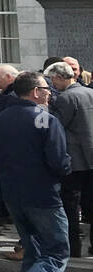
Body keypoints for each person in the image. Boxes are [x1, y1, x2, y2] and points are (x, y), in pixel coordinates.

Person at [0, 72, 70, 272]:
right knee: (57, 252)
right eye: (46, 89)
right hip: (42, 195)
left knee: (34, 252)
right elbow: (58, 162)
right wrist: (68, 166)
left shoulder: (2, 118)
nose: (49, 92)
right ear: (36, 92)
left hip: (13, 193)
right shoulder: (46, 119)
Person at [48, 60, 93, 258]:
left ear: (59, 77)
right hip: (90, 157)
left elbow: (57, 126)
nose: (52, 84)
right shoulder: (90, 93)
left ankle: (73, 247)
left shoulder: (66, 98)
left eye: (53, 80)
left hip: (75, 160)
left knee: (71, 205)